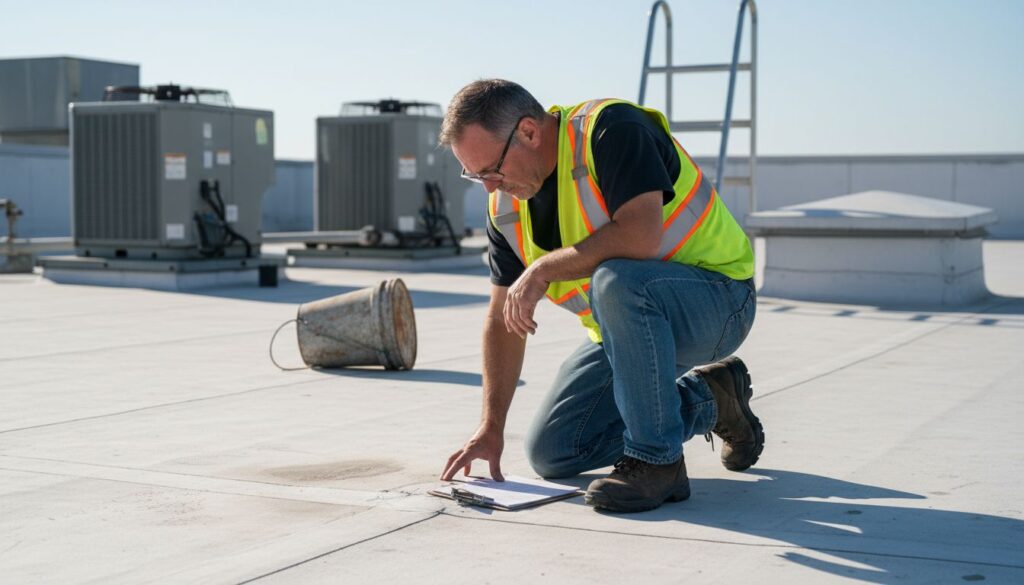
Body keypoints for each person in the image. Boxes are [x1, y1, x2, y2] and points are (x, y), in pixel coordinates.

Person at [438, 79, 762, 513]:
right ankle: (710, 399)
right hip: (625, 334)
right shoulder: (505, 210)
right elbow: (502, 317)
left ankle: (657, 461)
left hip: (720, 303)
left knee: (616, 278)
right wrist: (490, 426)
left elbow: (641, 236)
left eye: (491, 170)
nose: (490, 188)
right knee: (554, 452)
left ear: (530, 132)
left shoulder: (611, 130)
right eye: (475, 176)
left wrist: (543, 268)